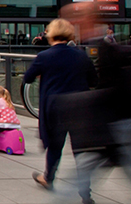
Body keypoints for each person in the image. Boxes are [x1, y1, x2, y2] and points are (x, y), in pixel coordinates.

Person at [23, 18, 97, 191]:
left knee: (56, 145)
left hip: (55, 107)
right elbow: (94, 80)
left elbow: (27, 78)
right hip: (79, 106)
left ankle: (48, 177)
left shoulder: (44, 56)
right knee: (79, 148)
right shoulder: (81, 55)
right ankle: (85, 189)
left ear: (50, 33)